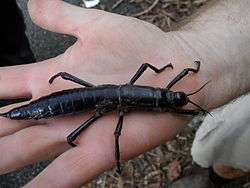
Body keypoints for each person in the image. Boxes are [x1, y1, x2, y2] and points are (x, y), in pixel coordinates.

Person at [0, 0, 249, 187]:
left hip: (86, 99)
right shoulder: (156, 100)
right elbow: (119, 132)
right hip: (71, 102)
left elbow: (174, 81)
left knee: (81, 130)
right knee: (93, 131)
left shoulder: (154, 94)